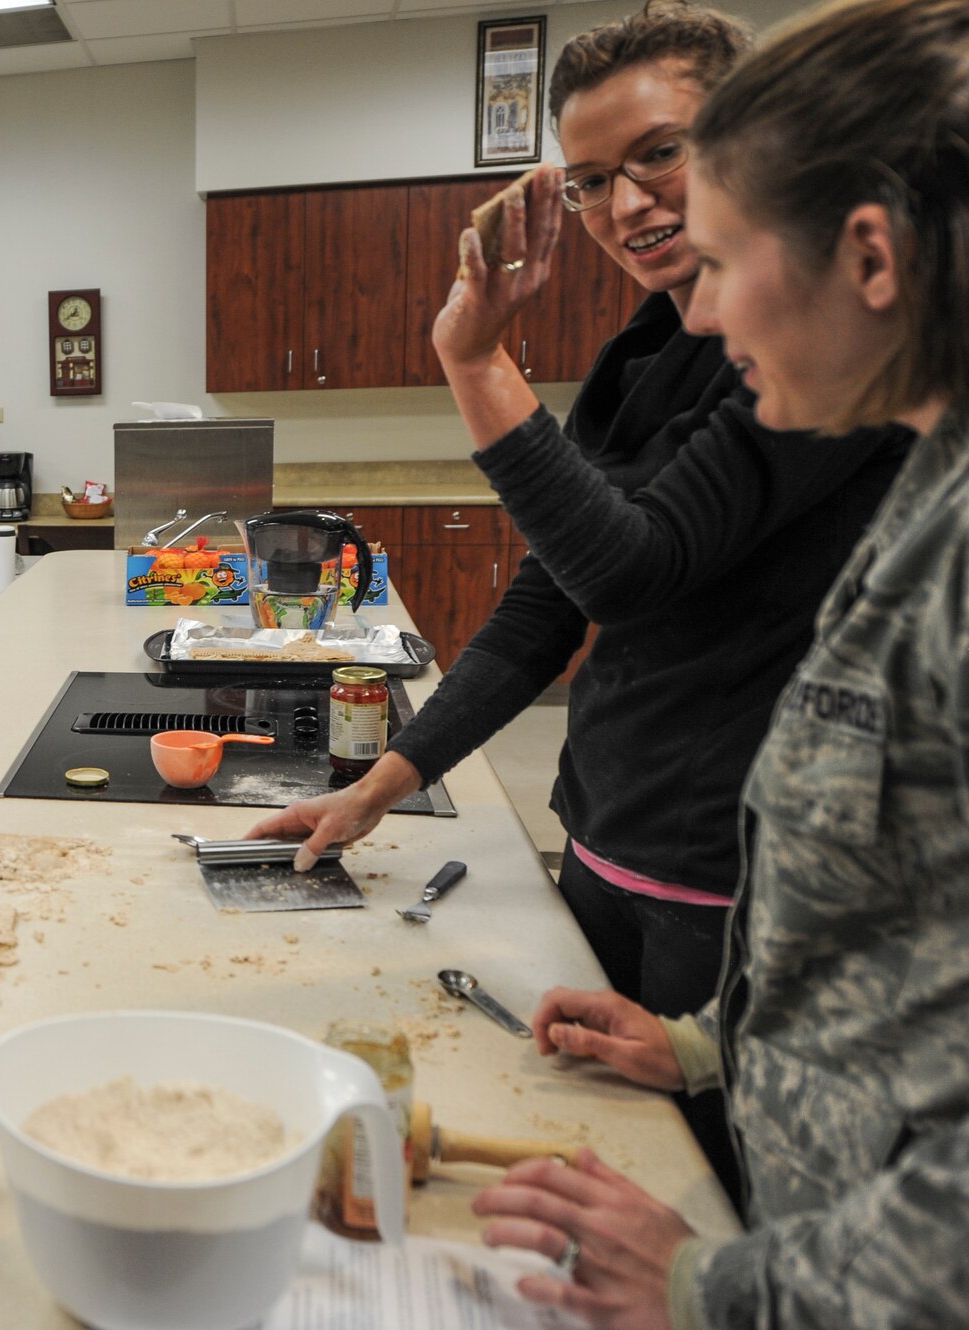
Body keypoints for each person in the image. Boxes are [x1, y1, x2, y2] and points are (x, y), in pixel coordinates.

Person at [249, 0, 907, 1063]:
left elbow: (627, 574)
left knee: (708, 1174)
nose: (623, 204)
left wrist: (474, 361)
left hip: (734, 873)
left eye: (659, 154)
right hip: (609, 832)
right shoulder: (647, 344)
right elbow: (548, 599)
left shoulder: (819, 355)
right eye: (590, 180)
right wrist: (383, 783)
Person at [472, 2, 969, 1325]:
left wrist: (718, 1283)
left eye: (725, 258)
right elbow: (907, 950)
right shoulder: (922, 503)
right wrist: (708, 1043)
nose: (702, 306)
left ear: (868, 256)